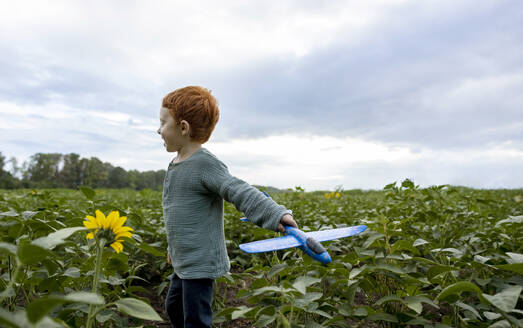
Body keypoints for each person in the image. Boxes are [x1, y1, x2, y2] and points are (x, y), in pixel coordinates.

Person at [157, 86, 298, 328]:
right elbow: (178, 216)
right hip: (183, 260)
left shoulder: (205, 164)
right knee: (173, 306)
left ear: (183, 127)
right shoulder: (177, 163)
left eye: (163, 123)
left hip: (201, 263)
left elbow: (238, 190)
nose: (158, 130)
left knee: (195, 320)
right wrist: (173, 248)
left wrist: (275, 213)